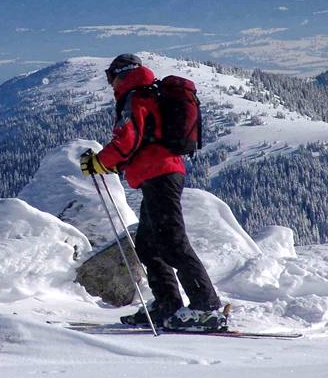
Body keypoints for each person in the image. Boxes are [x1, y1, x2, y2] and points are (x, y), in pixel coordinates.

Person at [79, 53, 225, 331]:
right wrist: (110, 164)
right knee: (147, 244)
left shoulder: (135, 96)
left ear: (120, 73)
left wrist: (100, 161)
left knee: (172, 241)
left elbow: (127, 139)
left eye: (111, 76)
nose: (110, 84)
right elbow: (142, 143)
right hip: (158, 174)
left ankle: (206, 307)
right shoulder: (144, 94)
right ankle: (168, 305)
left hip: (161, 176)